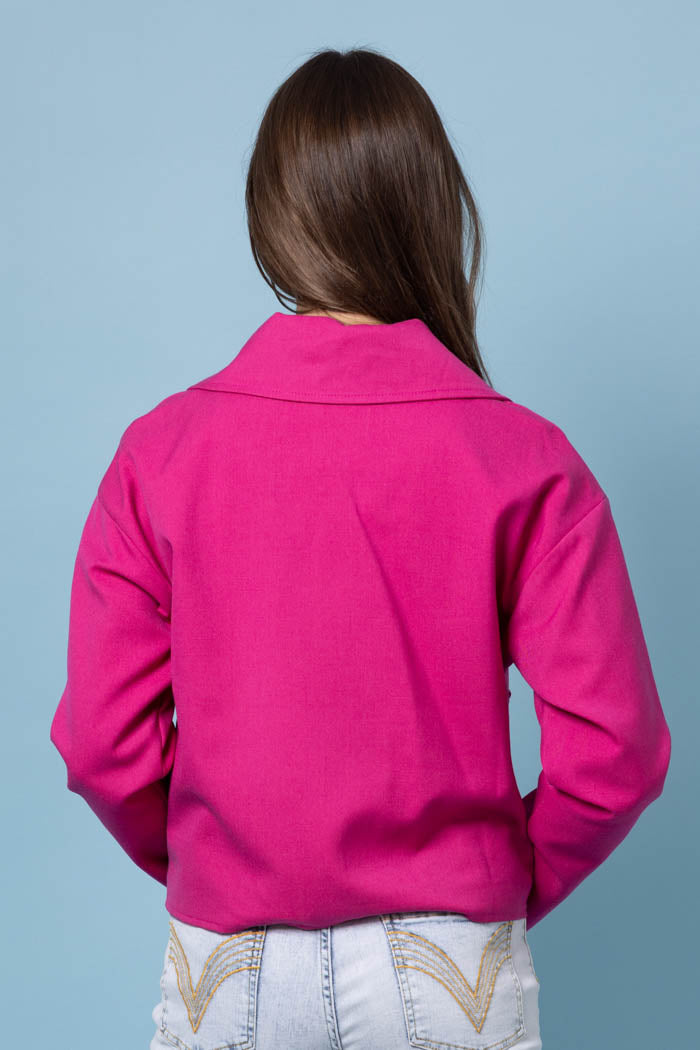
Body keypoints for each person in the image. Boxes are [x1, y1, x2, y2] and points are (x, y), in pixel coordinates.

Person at [49, 47, 671, 1050]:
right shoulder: (522, 456)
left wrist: (222, 866)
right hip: (450, 957)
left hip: (231, 952)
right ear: (431, 210)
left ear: (271, 222)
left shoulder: (160, 454)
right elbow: (616, 753)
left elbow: (101, 745)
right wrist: (498, 884)